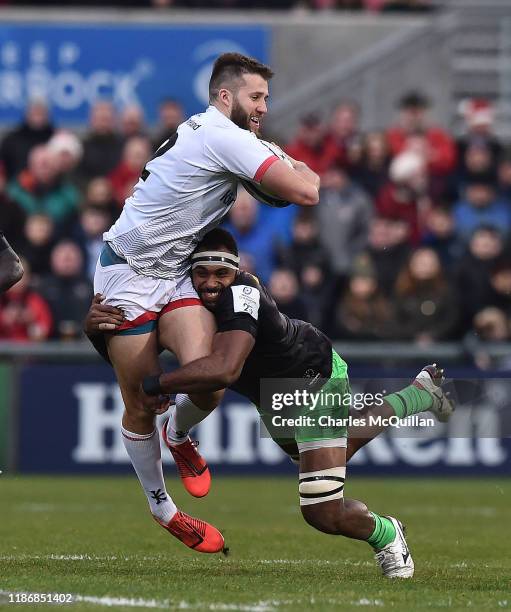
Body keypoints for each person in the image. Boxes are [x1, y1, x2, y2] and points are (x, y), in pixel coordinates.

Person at [86, 228, 454, 578]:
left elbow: (225, 369)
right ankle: (419, 393)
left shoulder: (243, 292)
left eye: (221, 273)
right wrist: (98, 332)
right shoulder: (183, 296)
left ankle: (387, 534)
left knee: (321, 510)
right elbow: (137, 351)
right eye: (201, 273)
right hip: (270, 394)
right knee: (331, 452)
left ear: (238, 269)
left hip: (310, 379)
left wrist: (154, 384)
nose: (211, 283)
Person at [92, 52, 320, 555]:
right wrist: (299, 167)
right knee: (140, 403)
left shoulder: (219, 133)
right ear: (225, 96)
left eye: (266, 97)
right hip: (126, 274)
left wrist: (284, 163)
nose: (263, 106)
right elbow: (306, 190)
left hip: (174, 272)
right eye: (256, 96)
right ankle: (163, 509)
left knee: (211, 379)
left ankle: (178, 436)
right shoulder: (223, 136)